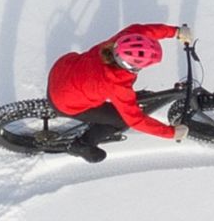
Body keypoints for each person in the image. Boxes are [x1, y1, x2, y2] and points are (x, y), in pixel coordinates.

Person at [44, 22, 186, 162]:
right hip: (64, 101)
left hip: (63, 70)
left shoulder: (119, 43)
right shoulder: (116, 83)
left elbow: (144, 30)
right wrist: (171, 133)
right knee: (120, 121)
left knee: (118, 101)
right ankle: (82, 144)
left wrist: (176, 31)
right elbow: (136, 120)